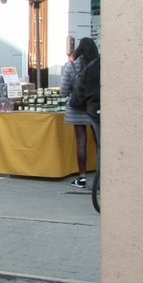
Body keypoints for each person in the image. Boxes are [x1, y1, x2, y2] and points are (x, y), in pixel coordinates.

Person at [61, 38, 99, 187]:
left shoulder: (71, 66)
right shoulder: (99, 64)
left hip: (76, 108)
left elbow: (63, 91)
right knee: (99, 142)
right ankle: (100, 177)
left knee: (81, 142)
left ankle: (82, 178)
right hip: (94, 107)